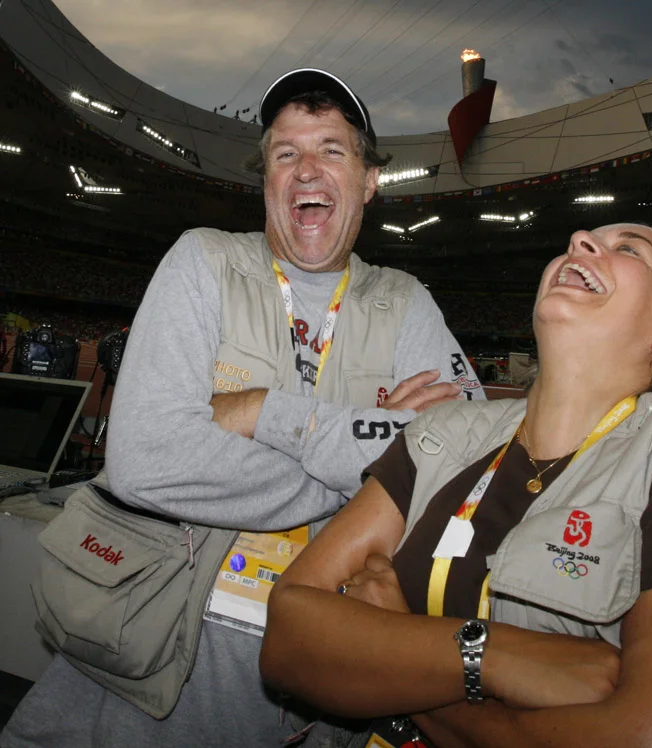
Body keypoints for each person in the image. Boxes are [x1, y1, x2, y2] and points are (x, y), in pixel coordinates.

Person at [2, 68, 482, 747]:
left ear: (370, 181)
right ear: (266, 180)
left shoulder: (406, 303)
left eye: (332, 150)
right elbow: (144, 462)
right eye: (286, 153)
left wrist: (257, 412)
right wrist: (360, 467)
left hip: (324, 673)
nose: (307, 169)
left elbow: (465, 461)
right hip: (153, 653)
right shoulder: (203, 263)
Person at [259, 223, 652, 746]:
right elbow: (289, 636)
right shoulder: (444, 433)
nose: (579, 242)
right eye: (580, 241)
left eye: (628, 248)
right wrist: (492, 655)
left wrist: (401, 653)